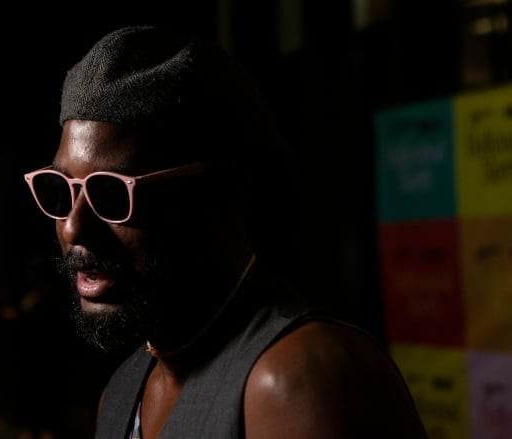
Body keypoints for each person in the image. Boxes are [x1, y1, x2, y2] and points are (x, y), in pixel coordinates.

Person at [22, 25, 428, 438]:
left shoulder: (295, 380)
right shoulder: (124, 392)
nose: (73, 226)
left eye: (109, 194)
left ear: (217, 196)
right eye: (58, 191)